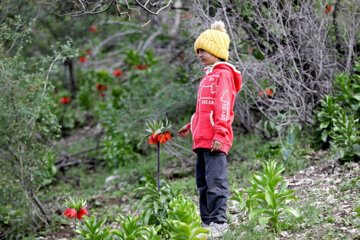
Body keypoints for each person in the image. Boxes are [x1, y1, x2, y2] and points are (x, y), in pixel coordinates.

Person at [178, 20, 242, 238]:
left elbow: (223, 106)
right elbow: (203, 108)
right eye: (198, 50)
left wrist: (221, 133)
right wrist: (191, 124)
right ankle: (206, 223)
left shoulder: (224, 74)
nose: (199, 54)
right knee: (203, 183)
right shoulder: (208, 75)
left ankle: (219, 222)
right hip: (202, 138)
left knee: (216, 182)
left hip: (216, 138)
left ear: (216, 50)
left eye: (203, 50)